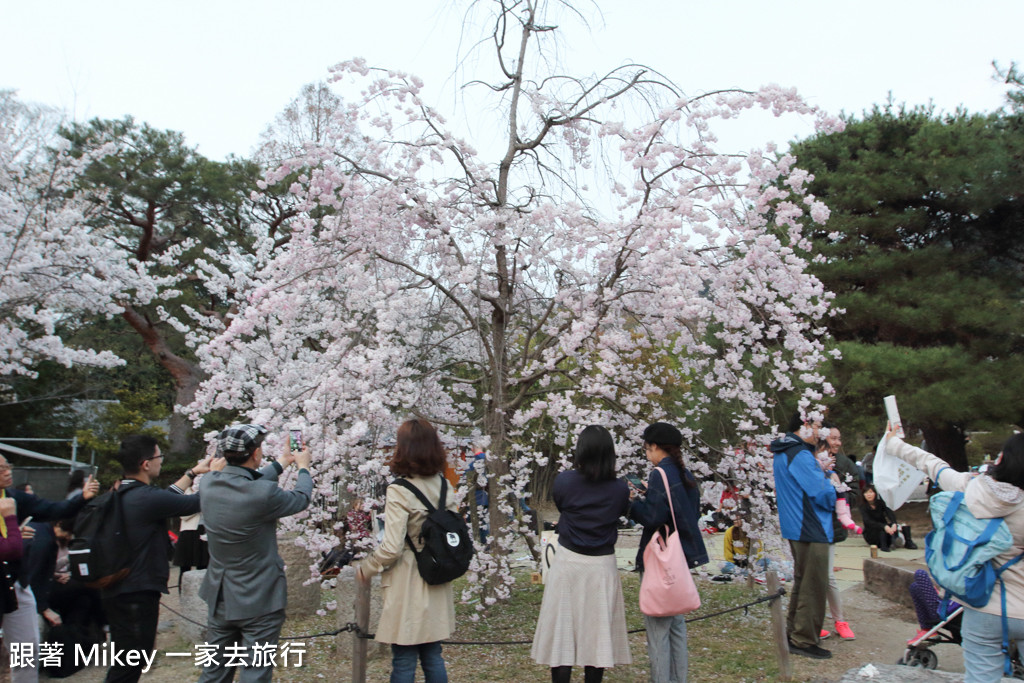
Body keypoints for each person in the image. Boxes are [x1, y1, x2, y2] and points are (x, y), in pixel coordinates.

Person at [886, 428, 1024, 682]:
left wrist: (893, 444)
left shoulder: (974, 488)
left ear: (1003, 460)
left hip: (981, 608)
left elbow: (932, 465)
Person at [198, 424, 313, 683]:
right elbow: (301, 497)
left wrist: (283, 461)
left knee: (214, 672)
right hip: (260, 598)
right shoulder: (263, 493)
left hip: (221, 595)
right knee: (255, 672)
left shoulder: (208, 483)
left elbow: (247, 483)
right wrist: (303, 466)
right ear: (257, 453)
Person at [101, 435, 216, 683]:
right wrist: (215, 475)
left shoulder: (124, 491)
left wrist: (193, 472)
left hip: (119, 586)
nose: (161, 461)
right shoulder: (146, 497)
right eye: (159, 456)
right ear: (146, 463)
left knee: (128, 657)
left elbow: (168, 496)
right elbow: (197, 502)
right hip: (136, 591)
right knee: (131, 661)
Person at [356, 419, 457, 683]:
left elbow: (391, 547)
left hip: (409, 579)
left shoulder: (400, 490)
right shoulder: (446, 486)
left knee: (404, 658)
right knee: (433, 655)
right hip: (437, 574)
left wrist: (367, 567)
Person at [531, 425, 631, 683]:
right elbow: (619, 513)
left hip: (569, 562)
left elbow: (562, 506)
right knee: (596, 636)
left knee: (563, 634)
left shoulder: (565, 481)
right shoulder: (619, 489)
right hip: (601, 566)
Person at [3, 455, 99, 683]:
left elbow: (51, 509)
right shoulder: (9, 508)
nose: (8, 472)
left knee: (28, 647)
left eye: (8, 466)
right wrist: (11, 528)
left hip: (15, 581)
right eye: (1, 469)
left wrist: (82, 498)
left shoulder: (14, 497)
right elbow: (11, 547)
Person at [628, 421, 708, 682]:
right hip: (680, 557)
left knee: (658, 629)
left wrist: (632, 503)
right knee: (676, 626)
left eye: (646, 448)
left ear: (654, 447)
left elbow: (653, 516)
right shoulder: (685, 473)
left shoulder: (659, 474)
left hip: (659, 559)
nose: (646, 453)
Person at [770, 413, 837, 659]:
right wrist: (834, 485)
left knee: (802, 580)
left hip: (796, 525)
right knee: (814, 584)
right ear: (805, 426)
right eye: (818, 426)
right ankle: (805, 639)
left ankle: (794, 632)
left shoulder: (783, 451)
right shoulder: (799, 454)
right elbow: (820, 493)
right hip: (811, 525)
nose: (821, 432)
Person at [818, 425, 860, 641]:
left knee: (827, 575)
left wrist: (838, 492)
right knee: (811, 576)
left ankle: (839, 620)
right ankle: (813, 621)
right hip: (812, 524)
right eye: (833, 438)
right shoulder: (812, 459)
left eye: (839, 438)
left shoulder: (844, 464)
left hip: (831, 525)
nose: (837, 443)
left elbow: (855, 494)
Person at [860, 485, 900, 552]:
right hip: (872, 532)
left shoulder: (881, 503)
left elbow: (889, 513)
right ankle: (885, 545)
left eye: (870, 492)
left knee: (893, 527)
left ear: (875, 493)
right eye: (866, 493)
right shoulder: (863, 506)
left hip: (885, 528)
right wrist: (884, 526)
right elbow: (868, 521)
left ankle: (900, 541)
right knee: (882, 530)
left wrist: (894, 523)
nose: (868, 495)